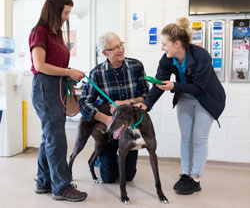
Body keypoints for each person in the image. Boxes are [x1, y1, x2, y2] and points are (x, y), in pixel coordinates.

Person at [136, 17, 226, 195]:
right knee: (186, 137)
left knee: (199, 138)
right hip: (185, 97)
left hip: (206, 98)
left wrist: (174, 86)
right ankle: (186, 174)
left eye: (164, 44)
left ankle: (195, 178)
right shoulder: (167, 59)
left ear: (177, 43)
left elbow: (199, 87)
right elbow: (159, 84)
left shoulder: (201, 56)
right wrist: (146, 104)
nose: (162, 47)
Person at [29, 0, 87, 202]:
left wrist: (70, 71)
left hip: (58, 87)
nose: (67, 17)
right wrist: (67, 72)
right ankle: (61, 187)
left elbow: (57, 64)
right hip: (45, 87)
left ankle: (43, 182)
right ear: (54, 10)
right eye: (65, 12)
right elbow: (40, 66)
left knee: (49, 137)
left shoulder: (56, 34)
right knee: (57, 139)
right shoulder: (39, 32)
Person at [79, 32, 149, 183]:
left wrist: (128, 101)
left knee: (128, 177)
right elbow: (84, 103)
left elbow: (146, 94)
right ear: (104, 53)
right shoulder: (97, 73)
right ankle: (102, 159)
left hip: (131, 130)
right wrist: (105, 118)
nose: (120, 50)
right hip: (110, 131)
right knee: (109, 178)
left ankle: (118, 157)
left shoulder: (136, 66)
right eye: (115, 48)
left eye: (121, 45)